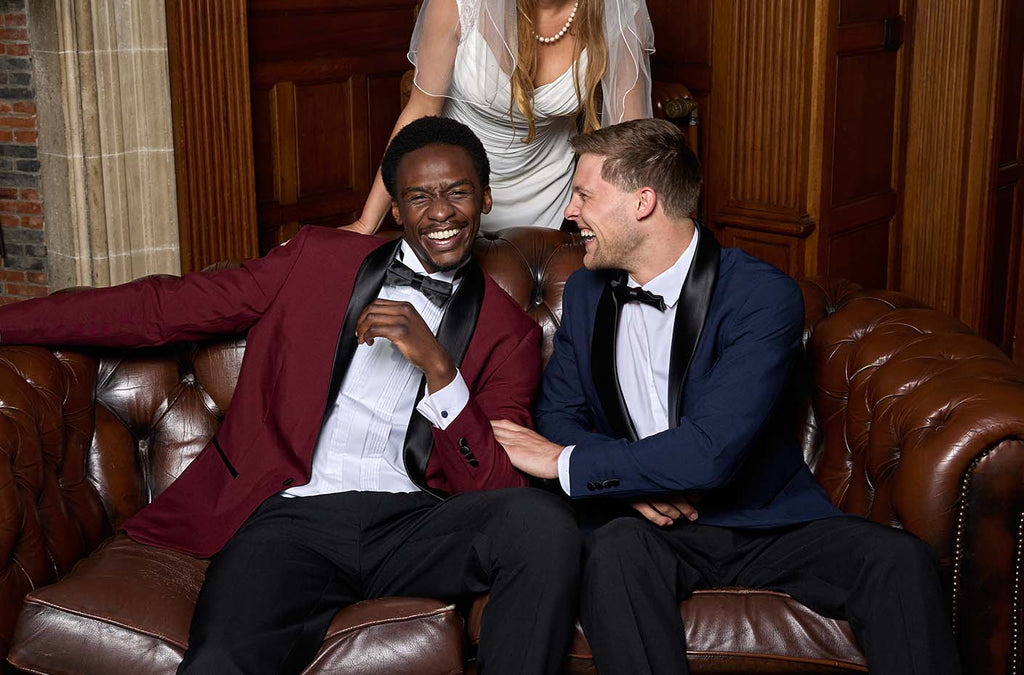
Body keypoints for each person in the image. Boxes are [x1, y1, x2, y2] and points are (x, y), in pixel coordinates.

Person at [0, 117, 580, 675]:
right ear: (396, 210)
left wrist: (439, 368)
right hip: (294, 520)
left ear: (485, 199)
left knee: (542, 522)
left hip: (415, 526)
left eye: (458, 192)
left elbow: (497, 486)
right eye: (420, 197)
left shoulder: (510, 332)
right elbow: (160, 309)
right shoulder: (318, 261)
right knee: (224, 658)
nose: (441, 213)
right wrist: (9, 321)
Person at [492, 118, 962, 675]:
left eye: (583, 195)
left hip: (762, 520)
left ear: (643, 202)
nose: (569, 212)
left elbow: (711, 451)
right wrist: (626, 487)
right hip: (646, 528)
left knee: (899, 562)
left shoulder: (761, 295)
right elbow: (557, 412)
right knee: (613, 553)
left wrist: (565, 462)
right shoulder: (592, 290)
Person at [348, 0, 654, 234]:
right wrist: (366, 223)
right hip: (456, 188)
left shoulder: (619, 9)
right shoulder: (458, 5)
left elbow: (629, 137)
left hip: (552, 195)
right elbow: (421, 109)